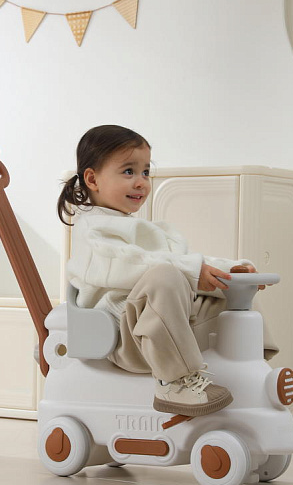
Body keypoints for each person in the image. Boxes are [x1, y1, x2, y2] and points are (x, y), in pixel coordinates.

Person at [58, 125, 277, 417]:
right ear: (92, 179)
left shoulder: (146, 229)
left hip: (163, 324)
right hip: (126, 336)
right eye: (129, 172)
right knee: (165, 274)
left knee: (233, 288)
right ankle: (175, 381)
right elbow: (129, 263)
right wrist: (191, 271)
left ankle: (254, 359)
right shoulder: (92, 231)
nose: (141, 182)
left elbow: (182, 260)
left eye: (146, 172)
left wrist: (229, 271)